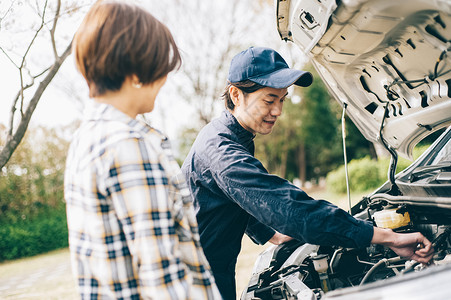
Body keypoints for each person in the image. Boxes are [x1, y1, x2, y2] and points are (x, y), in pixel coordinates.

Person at [181, 46, 434, 300]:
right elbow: (287, 206)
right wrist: (387, 238)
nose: (278, 111)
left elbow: (236, 195)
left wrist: (270, 234)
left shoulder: (232, 136)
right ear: (236, 95)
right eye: (269, 100)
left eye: (282, 100)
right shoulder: (222, 151)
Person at [64, 1, 221, 299]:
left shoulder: (85, 141)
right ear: (136, 73)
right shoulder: (129, 146)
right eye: (160, 69)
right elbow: (161, 277)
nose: (164, 81)